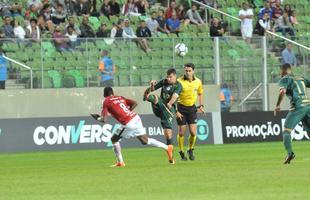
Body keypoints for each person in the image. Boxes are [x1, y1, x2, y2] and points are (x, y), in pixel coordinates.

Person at [92, 87, 174, 167]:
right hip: (135, 118)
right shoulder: (119, 97)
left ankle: (120, 162)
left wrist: (97, 118)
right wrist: (128, 112)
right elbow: (135, 103)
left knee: (113, 139)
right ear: (112, 93)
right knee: (145, 141)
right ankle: (167, 148)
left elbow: (104, 119)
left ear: (104, 94)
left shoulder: (106, 101)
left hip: (128, 123)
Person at [274, 63, 310, 164]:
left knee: (286, 131)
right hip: (308, 105)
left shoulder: (285, 79)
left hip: (297, 107)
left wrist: (277, 105)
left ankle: (290, 153)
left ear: (283, 71)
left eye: (280, 71)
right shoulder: (301, 78)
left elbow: (282, 92)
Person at [143, 68, 182, 155]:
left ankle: (170, 155)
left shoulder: (178, 85)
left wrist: (170, 103)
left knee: (168, 134)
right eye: (167, 77)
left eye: (170, 77)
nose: (168, 78)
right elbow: (152, 89)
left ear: (175, 76)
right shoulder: (164, 81)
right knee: (155, 97)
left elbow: (175, 96)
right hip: (159, 106)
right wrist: (152, 85)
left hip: (169, 110)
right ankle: (146, 97)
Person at [176, 63, 204, 161]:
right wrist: (176, 110)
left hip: (192, 108)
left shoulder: (198, 82)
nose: (187, 72)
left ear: (193, 71)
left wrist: (201, 105)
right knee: (181, 133)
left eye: (189, 71)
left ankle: (190, 149)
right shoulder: (179, 81)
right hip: (181, 108)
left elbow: (200, 93)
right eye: (186, 71)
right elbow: (174, 96)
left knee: (193, 132)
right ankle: (181, 151)